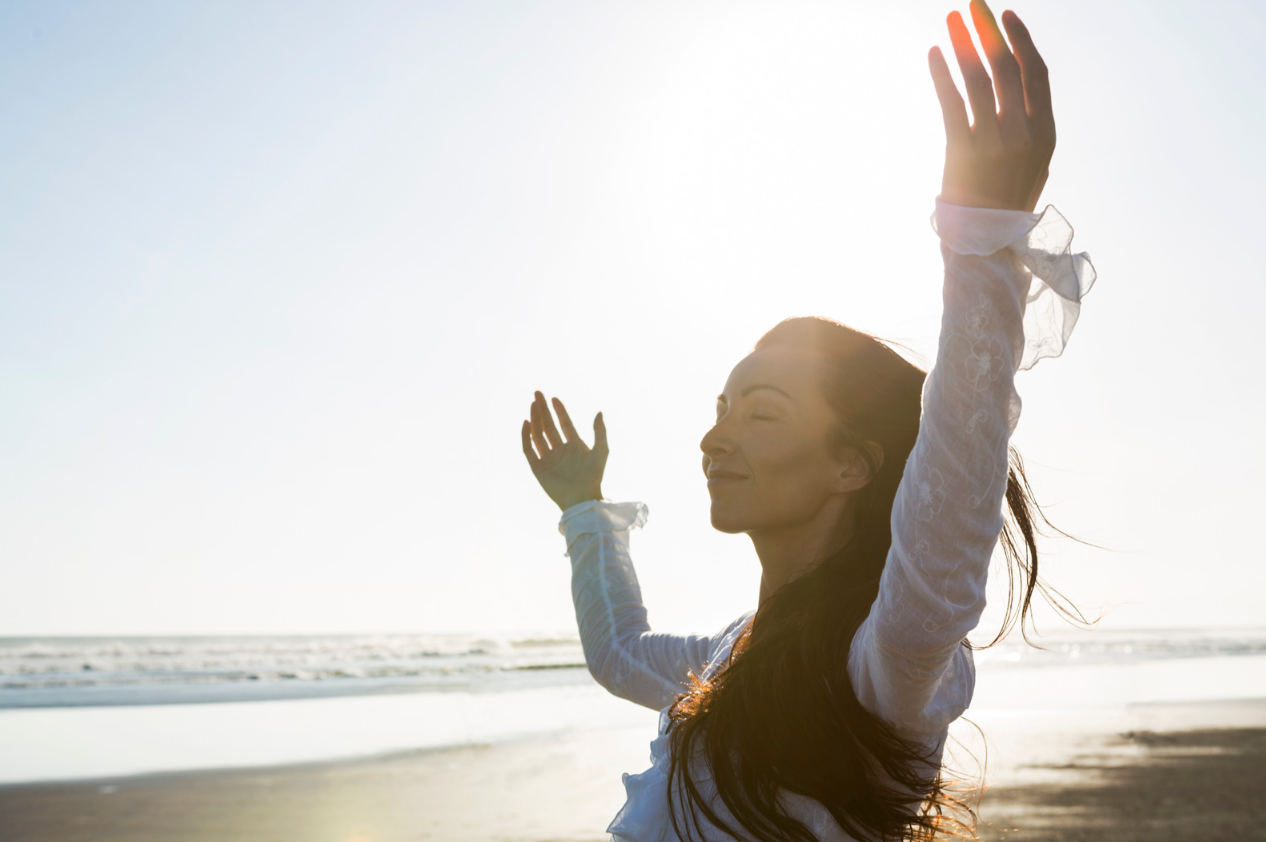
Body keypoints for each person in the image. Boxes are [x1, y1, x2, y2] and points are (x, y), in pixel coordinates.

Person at [520, 2, 1096, 840]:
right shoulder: (730, 650)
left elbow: (951, 500)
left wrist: (980, 245)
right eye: (721, 410)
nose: (717, 437)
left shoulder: (886, 658)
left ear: (852, 465)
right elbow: (618, 654)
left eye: (762, 412)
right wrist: (585, 511)